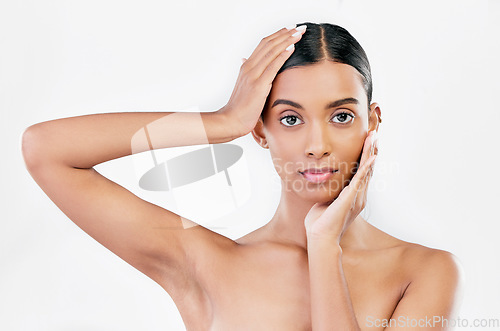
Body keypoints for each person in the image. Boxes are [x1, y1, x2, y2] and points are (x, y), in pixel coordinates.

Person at [22, 22, 463, 330]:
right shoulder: (205, 263)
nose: (317, 144)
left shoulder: (425, 272)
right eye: (290, 119)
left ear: (374, 122)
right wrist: (222, 121)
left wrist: (324, 246)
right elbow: (46, 150)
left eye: (342, 116)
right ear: (260, 131)